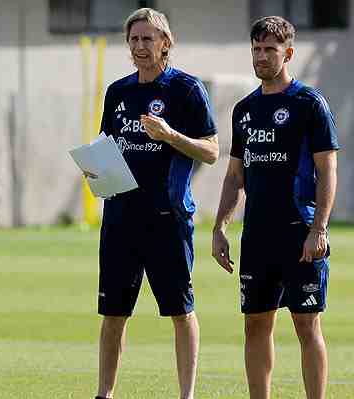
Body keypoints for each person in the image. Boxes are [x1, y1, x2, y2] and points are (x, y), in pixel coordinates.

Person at [91, 8, 219, 399]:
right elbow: (105, 146)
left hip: (167, 218)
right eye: (134, 39)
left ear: (166, 43)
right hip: (120, 218)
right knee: (114, 313)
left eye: (148, 39)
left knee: (180, 311)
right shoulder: (118, 92)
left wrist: (170, 135)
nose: (140, 47)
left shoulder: (186, 90)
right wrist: (96, 169)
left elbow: (212, 151)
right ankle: (104, 394)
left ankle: (186, 395)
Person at [211, 16, 339, 399]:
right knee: (255, 325)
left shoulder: (309, 104)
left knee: (306, 324)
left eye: (270, 49)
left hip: (300, 232)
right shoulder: (245, 110)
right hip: (258, 237)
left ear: (289, 53)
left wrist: (319, 228)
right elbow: (234, 176)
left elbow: (327, 169)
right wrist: (220, 227)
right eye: (256, 49)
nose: (262, 56)